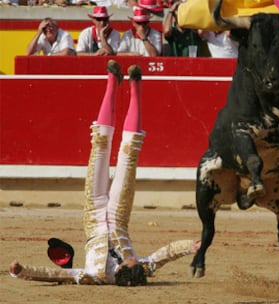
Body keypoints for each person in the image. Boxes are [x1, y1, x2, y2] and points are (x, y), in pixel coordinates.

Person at [9, 60, 200, 286]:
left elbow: (60, 275)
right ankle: (136, 85)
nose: (133, 258)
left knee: (99, 145)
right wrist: (190, 246)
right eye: (136, 260)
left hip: (94, 214)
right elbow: (165, 254)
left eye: (130, 261)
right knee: (129, 155)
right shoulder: (140, 267)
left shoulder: (94, 274)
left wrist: (22, 272)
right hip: (119, 216)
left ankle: (112, 81)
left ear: (121, 269)